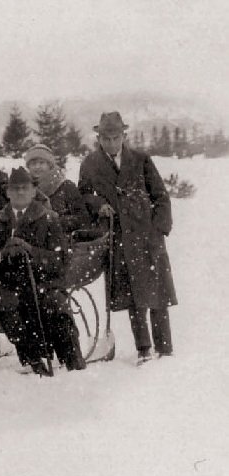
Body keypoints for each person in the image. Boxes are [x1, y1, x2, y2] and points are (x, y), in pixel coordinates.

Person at [78, 112, 177, 365]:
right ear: (98, 137)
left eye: (116, 137)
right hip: (119, 238)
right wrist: (98, 203)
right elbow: (84, 194)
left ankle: (165, 349)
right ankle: (143, 349)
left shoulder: (141, 160)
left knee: (157, 293)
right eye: (106, 138)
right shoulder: (90, 164)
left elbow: (161, 197)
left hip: (147, 236)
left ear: (124, 135)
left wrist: (159, 229)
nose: (111, 143)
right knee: (134, 297)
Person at [0, 167, 86, 375]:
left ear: (33, 192)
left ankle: (73, 360)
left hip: (44, 282)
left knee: (54, 306)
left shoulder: (49, 220)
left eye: (25, 188)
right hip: (10, 284)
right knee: (7, 305)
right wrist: (2, 254)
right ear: (8, 193)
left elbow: (60, 260)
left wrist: (30, 251)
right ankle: (33, 358)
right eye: (15, 189)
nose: (20, 193)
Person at [23, 144, 92, 235]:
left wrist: (54, 222)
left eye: (41, 163)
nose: (37, 167)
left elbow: (82, 219)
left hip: (62, 240)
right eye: (33, 163)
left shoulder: (66, 187)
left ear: (50, 165)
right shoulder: (22, 189)